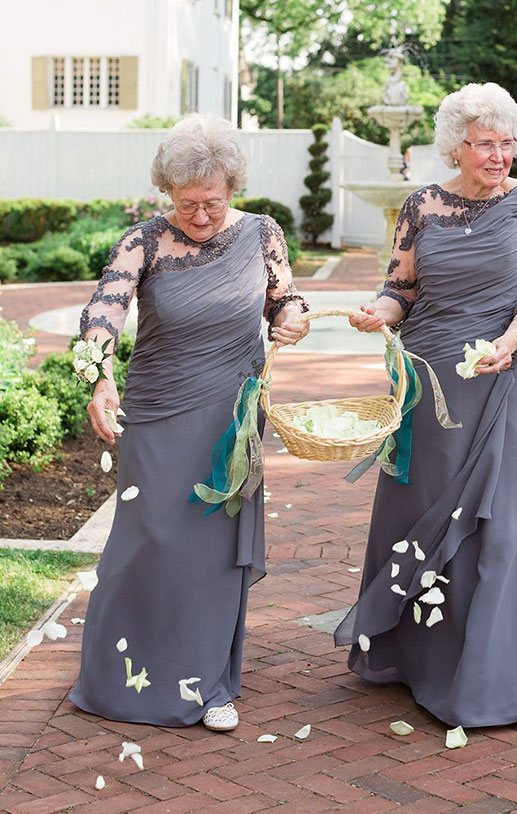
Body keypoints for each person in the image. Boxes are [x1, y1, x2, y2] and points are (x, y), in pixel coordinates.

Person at [336, 82, 517, 728]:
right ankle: (413, 660)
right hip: (430, 378)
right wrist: (376, 313)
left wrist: (510, 342)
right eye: (485, 143)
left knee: (501, 520)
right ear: (456, 148)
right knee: (421, 506)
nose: (499, 155)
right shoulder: (421, 205)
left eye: (507, 143)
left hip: (508, 374)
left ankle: (493, 677)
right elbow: (401, 289)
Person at [70, 114, 309, 731]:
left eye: (213, 203)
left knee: (210, 551)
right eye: (186, 203)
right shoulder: (144, 240)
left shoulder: (262, 233)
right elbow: (103, 313)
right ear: (167, 193)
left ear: (233, 189)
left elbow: (285, 300)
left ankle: (207, 684)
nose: (200, 216)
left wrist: (292, 318)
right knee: (147, 541)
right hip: (156, 412)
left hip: (232, 415)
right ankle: (118, 676)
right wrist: (99, 379)